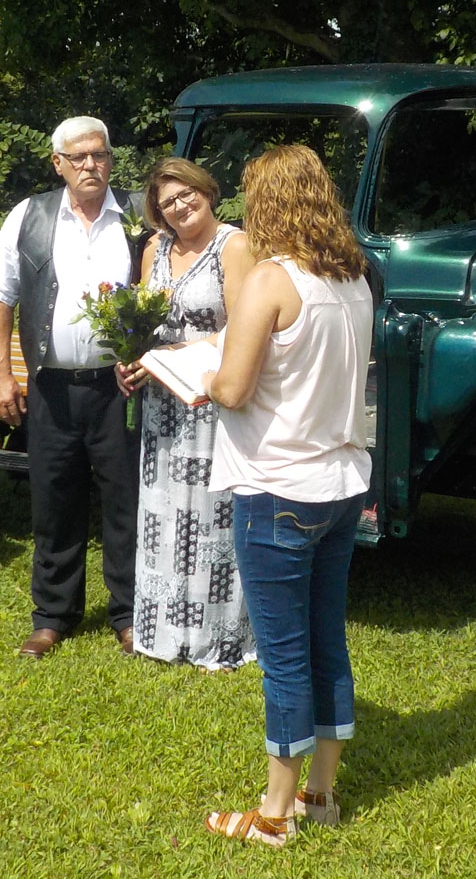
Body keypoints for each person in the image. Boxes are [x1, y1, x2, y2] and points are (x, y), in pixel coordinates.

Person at [198, 144, 374, 846]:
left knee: (284, 656)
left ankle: (274, 816)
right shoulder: (355, 279)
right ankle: (322, 796)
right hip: (337, 486)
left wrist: (203, 373)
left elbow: (233, 389)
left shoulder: (272, 279)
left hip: (276, 488)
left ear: (265, 203)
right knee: (327, 641)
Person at [0, 116, 143, 660]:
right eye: (78, 157)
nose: (90, 165)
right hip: (50, 388)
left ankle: (128, 614)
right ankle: (51, 617)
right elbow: (0, 298)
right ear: (58, 164)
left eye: (99, 154)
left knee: (125, 503)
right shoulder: (30, 216)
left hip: (119, 390)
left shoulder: (140, 217)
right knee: (53, 501)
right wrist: (2, 375)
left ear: (111, 159)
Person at [115, 158, 257, 670]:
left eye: (186, 194)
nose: (180, 207)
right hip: (160, 405)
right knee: (162, 516)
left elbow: (244, 330)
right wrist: (128, 358)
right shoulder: (155, 249)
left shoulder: (234, 247)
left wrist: (177, 356)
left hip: (208, 401)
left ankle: (216, 639)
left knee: (209, 521)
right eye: (168, 202)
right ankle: (161, 632)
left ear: (206, 190)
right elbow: (141, 324)